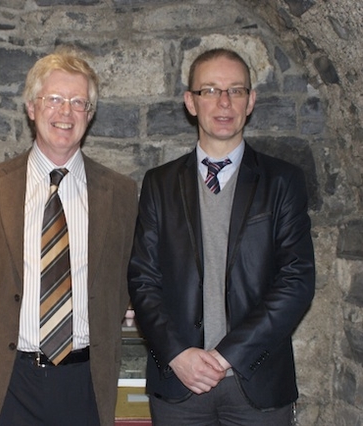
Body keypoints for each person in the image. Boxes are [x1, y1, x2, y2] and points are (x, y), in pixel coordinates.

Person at [128, 47, 316, 425]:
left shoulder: (283, 181)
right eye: (210, 90)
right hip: (179, 383)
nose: (224, 102)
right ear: (190, 102)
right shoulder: (159, 184)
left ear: (251, 101)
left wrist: (227, 354)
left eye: (236, 90)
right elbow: (143, 279)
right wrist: (178, 354)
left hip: (257, 383)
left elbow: (297, 281)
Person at [0, 46, 138, 426]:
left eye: (78, 102)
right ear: (31, 107)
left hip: (84, 382)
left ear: (89, 115)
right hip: (8, 383)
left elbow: (121, 285)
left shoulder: (119, 193)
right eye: (53, 99)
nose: (65, 112)